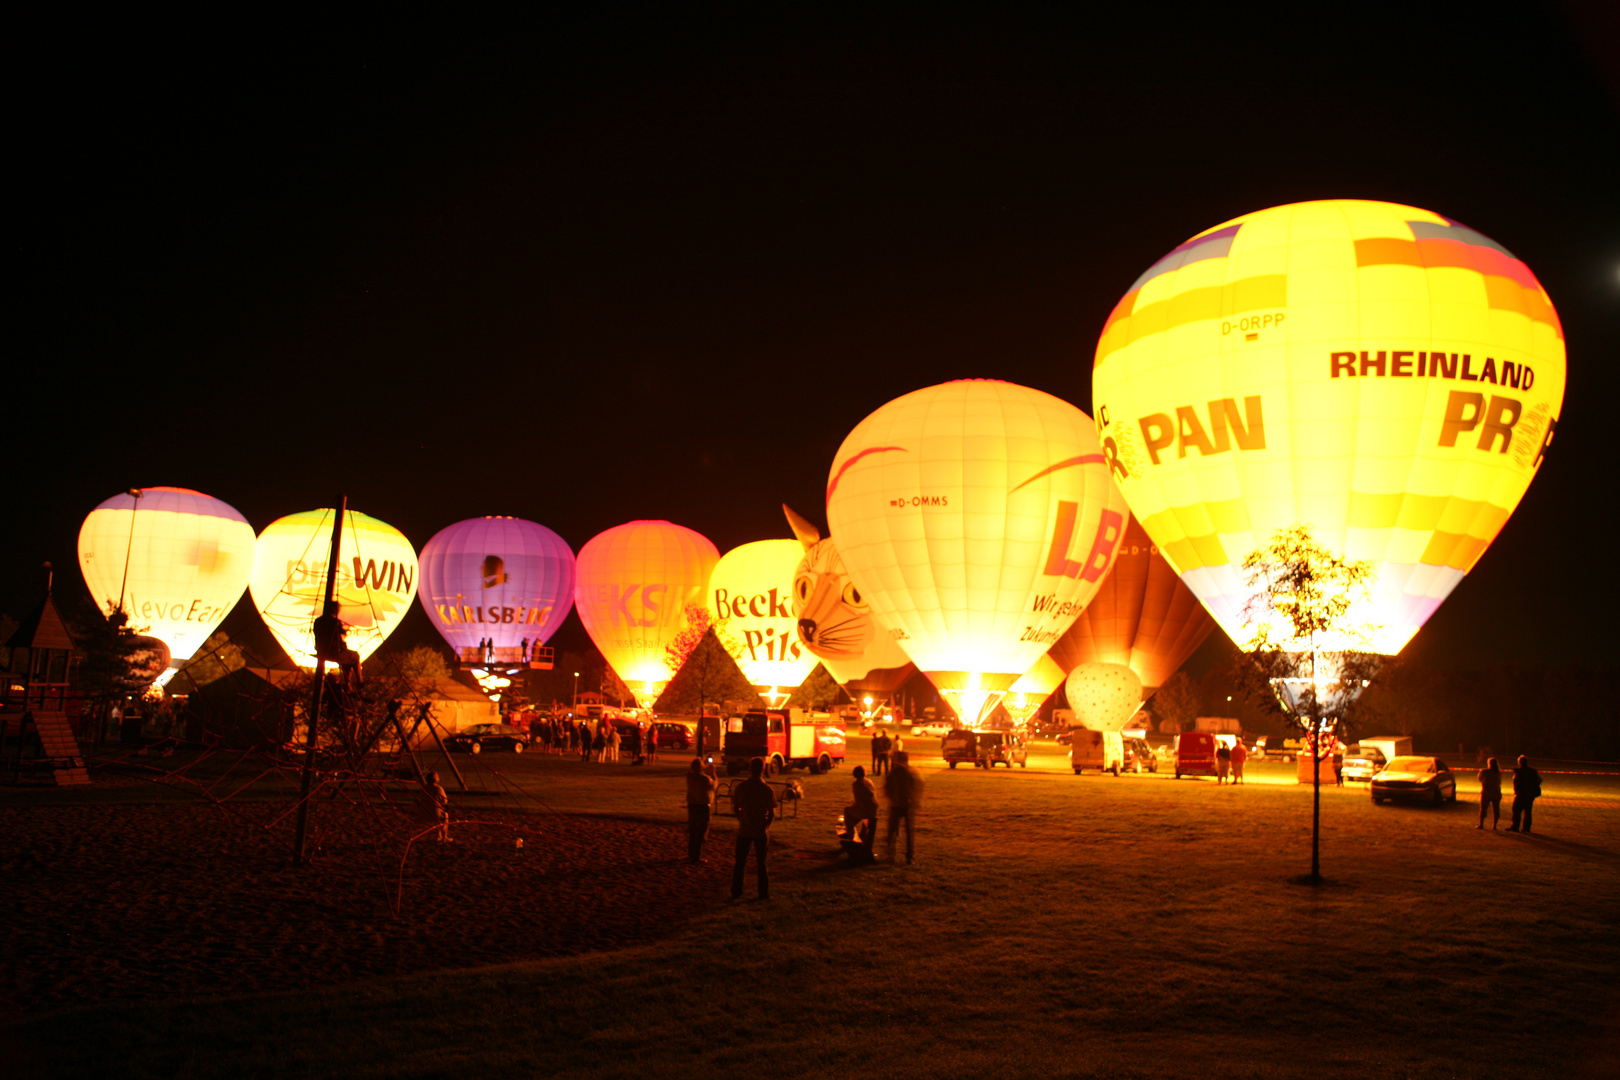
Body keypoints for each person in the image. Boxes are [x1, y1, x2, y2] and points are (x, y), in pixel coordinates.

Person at [731, 757, 777, 900]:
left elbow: (736, 807)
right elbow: (772, 812)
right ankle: (763, 892)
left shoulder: (742, 787)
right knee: (761, 863)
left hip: (745, 829)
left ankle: (737, 891)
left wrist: (742, 819)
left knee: (740, 862)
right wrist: (766, 826)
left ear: (750, 769)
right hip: (760, 830)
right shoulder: (767, 790)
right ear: (763, 769)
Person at [884, 749, 922, 865]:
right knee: (909, 833)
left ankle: (890, 855)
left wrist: (891, 797)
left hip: (896, 805)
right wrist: (914, 800)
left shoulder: (894, 772)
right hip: (908, 805)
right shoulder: (911, 772)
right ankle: (910, 857)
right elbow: (916, 787)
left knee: (892, 831)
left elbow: (887, 788)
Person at [844, 764, 879, 864]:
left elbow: (859, 803)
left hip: (866, 810)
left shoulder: (857, 784)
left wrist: (851, 807)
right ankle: (857, 836)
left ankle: (851, 837)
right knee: (855, 817)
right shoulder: (869, 781)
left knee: (847, 811)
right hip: (874, 809)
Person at [686, 757, 718, 863]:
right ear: (702, 767)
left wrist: (701, 763)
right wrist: (713, 771)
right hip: (703, 807)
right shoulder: (705, 779)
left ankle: (691, 854)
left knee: (693, 830)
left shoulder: (689, 777)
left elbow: (695, 771)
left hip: (692, 806)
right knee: (702, 832)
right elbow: (715, 784)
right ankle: (697, 856)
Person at [1510, 755, 1542, 833]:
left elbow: (1517, 782)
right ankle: (1526, 828)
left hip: (1521, 793)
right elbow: (1539, 780)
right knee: (1527, 811)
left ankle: (1515, 826)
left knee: (1516, 810)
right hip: (1530, 794)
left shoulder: (1519, 771)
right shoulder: (1532, 771)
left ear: (1520, 762)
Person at [416, 770, 450, 842]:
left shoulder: (423, 788)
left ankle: (438, 835)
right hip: (434, 813)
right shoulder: (438, 789)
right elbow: (445, 801)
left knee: (437, 812)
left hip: (424, 812)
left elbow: (420, 798)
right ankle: (444, 836)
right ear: (436, 779)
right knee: (445, 816)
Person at [1478, 756, 1503, 830]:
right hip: (1496, 792)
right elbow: (1499, 782)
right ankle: (1494, 825)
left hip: (1486, 792)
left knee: (1483, 808)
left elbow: (1480, 779)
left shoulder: (1484, 772)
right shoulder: (1498, 773)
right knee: (1496, 809)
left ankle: (1481, 824)